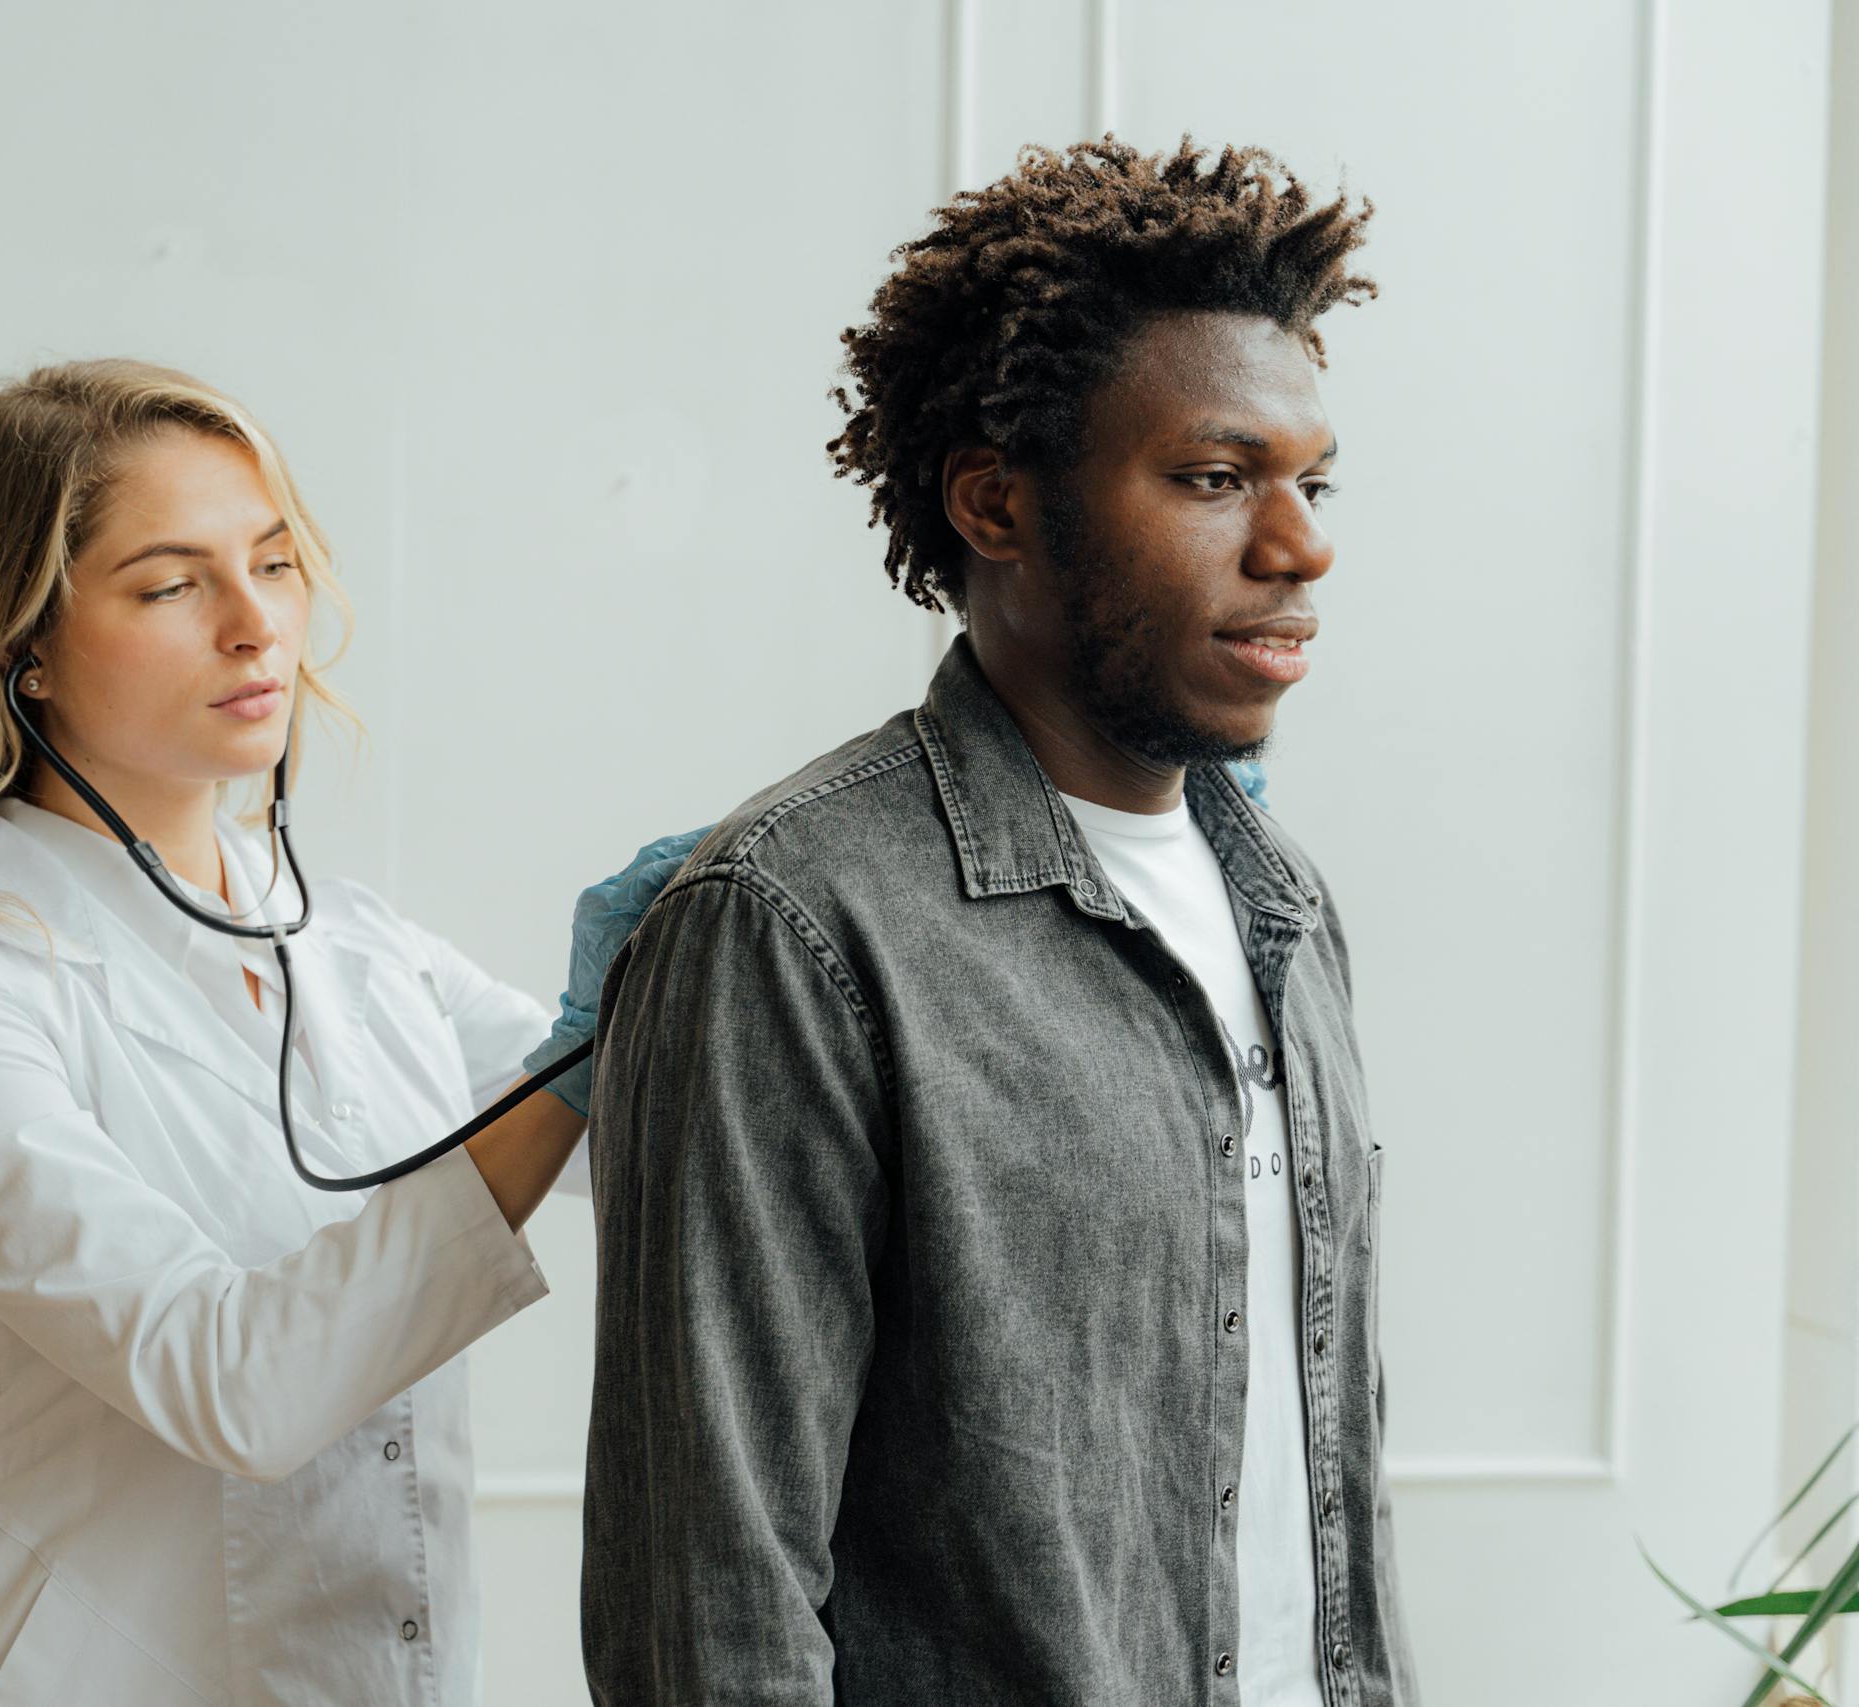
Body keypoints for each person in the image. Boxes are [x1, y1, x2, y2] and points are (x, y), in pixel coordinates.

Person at [580, 135, 1418, 1704]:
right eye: (1216, 479)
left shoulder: (1284, 911)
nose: (1300, 545)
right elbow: (708, 1604)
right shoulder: (788, 929)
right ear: (995, 503)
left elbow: (1322, 1492)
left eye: (1312, 482)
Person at [0, 358, 689, 1706]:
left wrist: (760, 945)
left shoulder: (356, 950)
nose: (256, 626)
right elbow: (233, 1383)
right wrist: (585, 1054)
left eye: (277, 564)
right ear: (25, 646)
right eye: (172, 585)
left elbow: (670, 1136)